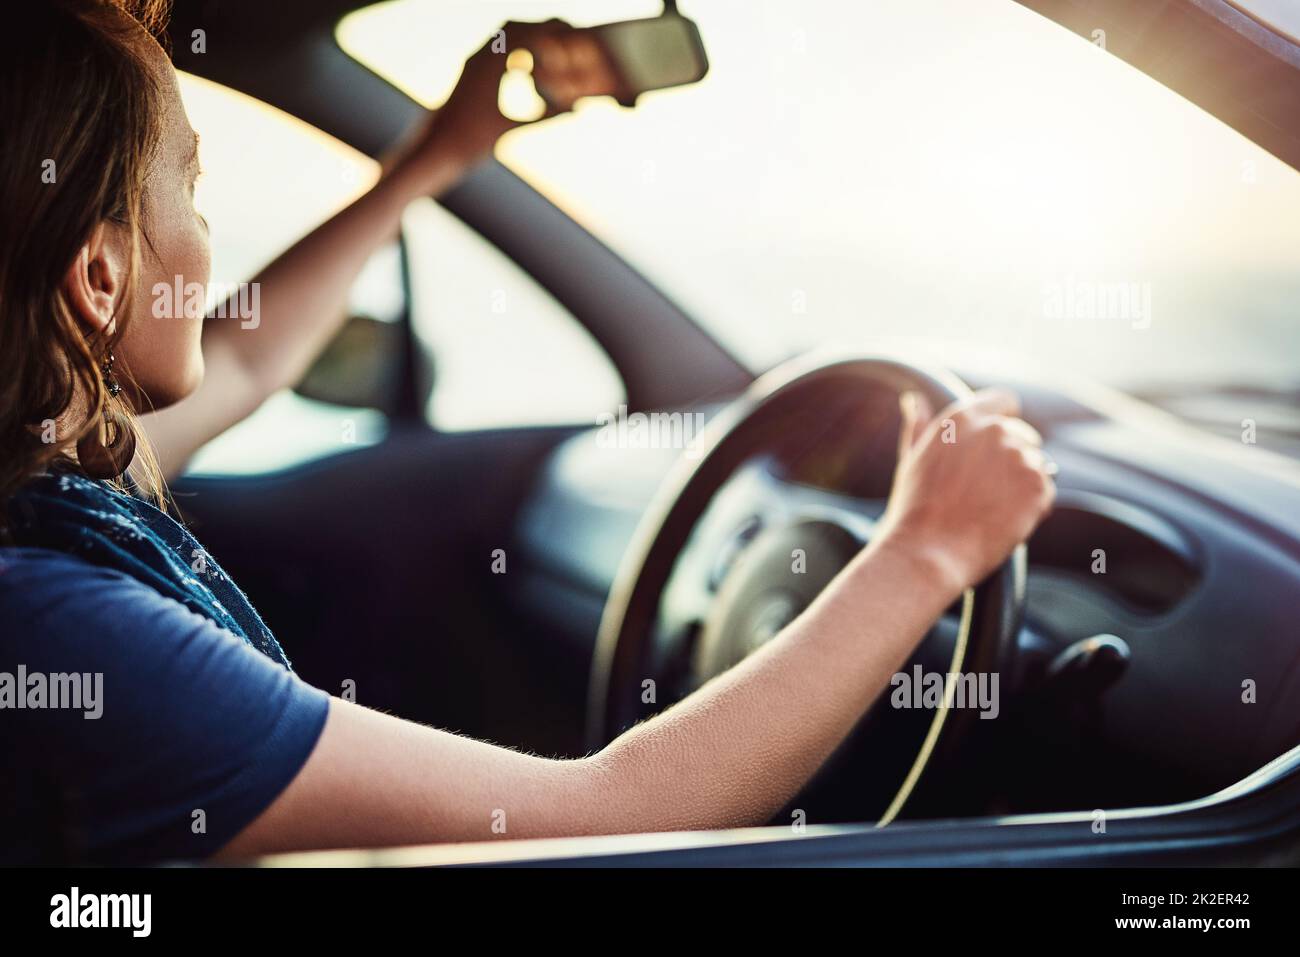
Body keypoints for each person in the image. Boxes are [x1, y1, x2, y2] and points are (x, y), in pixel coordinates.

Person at [0, 0, 1055, 864]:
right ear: (100, 278)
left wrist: (435, 156)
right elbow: (613, 815)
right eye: (189, 184)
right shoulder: (59, 622)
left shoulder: (43, 482)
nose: (207, 228)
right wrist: (924, 550)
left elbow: (241, 358)